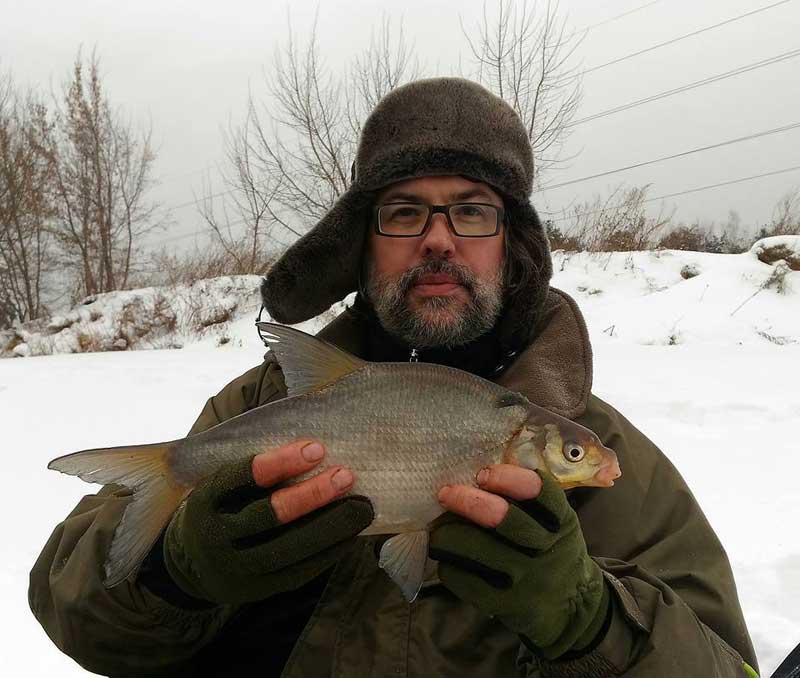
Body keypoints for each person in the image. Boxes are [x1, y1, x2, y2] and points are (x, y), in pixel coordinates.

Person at [29, 77, 759, 677]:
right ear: (360, 248)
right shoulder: (261, 406)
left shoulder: (608, 457)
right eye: (404, 212)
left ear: (514, 249)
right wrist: (176, 570)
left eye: (472, 211)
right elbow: (70, 610)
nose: (438, 239)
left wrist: (591, 623)